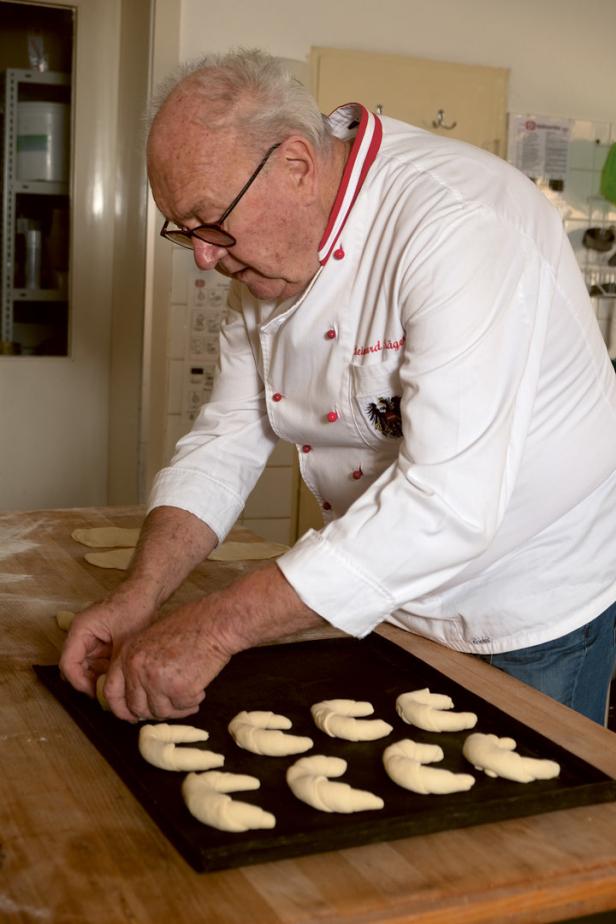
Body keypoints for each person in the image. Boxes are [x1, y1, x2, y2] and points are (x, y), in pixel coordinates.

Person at [60, 48, 616, 726]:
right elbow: (228, 436)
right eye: (185, 230)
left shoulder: (457, 225)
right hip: (389, 594)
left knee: (525, 826)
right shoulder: (270, 255)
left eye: (210, 222)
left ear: (295, 164)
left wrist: (214, 629)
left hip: (528, 602)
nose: (204, 258)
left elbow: (450, 503)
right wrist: (141, 594)